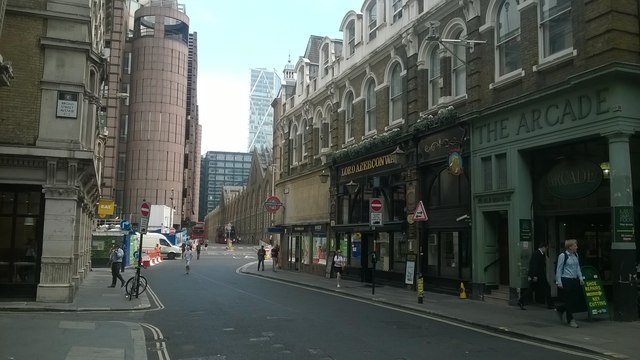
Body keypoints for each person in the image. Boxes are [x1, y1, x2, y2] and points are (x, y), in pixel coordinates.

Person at [555, 239, 584, 328]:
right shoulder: (563, 256)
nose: (577, 247)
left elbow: (578, 267)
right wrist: (559, 281)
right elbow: (559, 269)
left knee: (575, 299)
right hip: (566, 279)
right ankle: (571, 319)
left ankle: (560, 309)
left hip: (574, 280)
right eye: (575, 245)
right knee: (569, 299)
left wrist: (580, 277)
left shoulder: (576, 255)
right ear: (570, 247)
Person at [518, 242, 553, 310]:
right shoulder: (537, 254)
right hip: (538, 276)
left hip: (538, 276)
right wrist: (534, 275)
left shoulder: (539, 254)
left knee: (531, 289)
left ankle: (521, 301)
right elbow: (534, 265)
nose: (546, 250)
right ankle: (550, 305)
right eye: (546, 248)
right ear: (543, 247)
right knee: (547, 289)